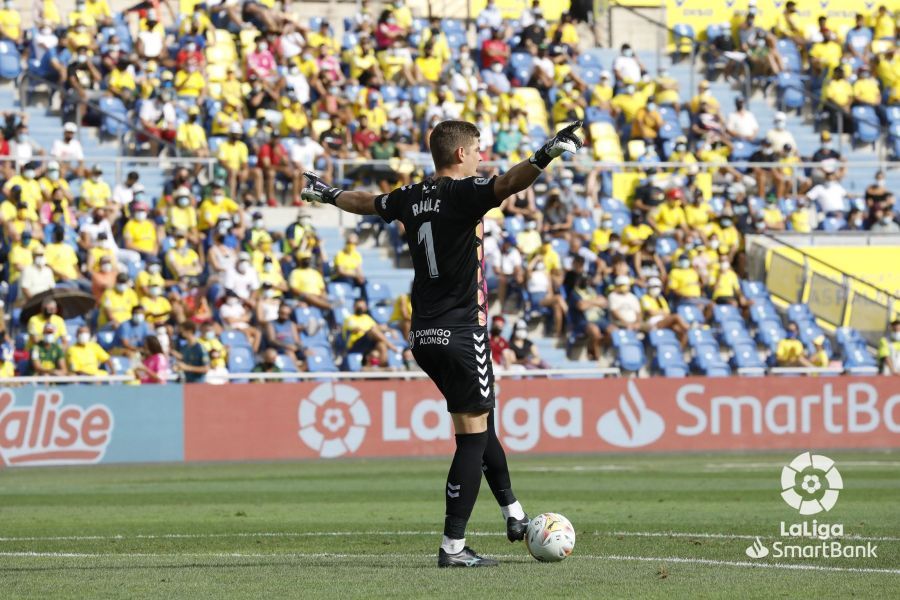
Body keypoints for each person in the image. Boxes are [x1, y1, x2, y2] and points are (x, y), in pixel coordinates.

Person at [301, 118, 584, 567]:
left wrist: (327, 193)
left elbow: (366, 202)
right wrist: (547, 152)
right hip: (461, 330)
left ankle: (514, 515)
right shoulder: (465, 193)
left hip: (425, 334)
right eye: (477, 150)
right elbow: (511, 182)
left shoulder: (410, 196)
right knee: (471, 440)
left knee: (479, 425)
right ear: (459, 155)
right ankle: (453, 547)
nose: (480, 157)